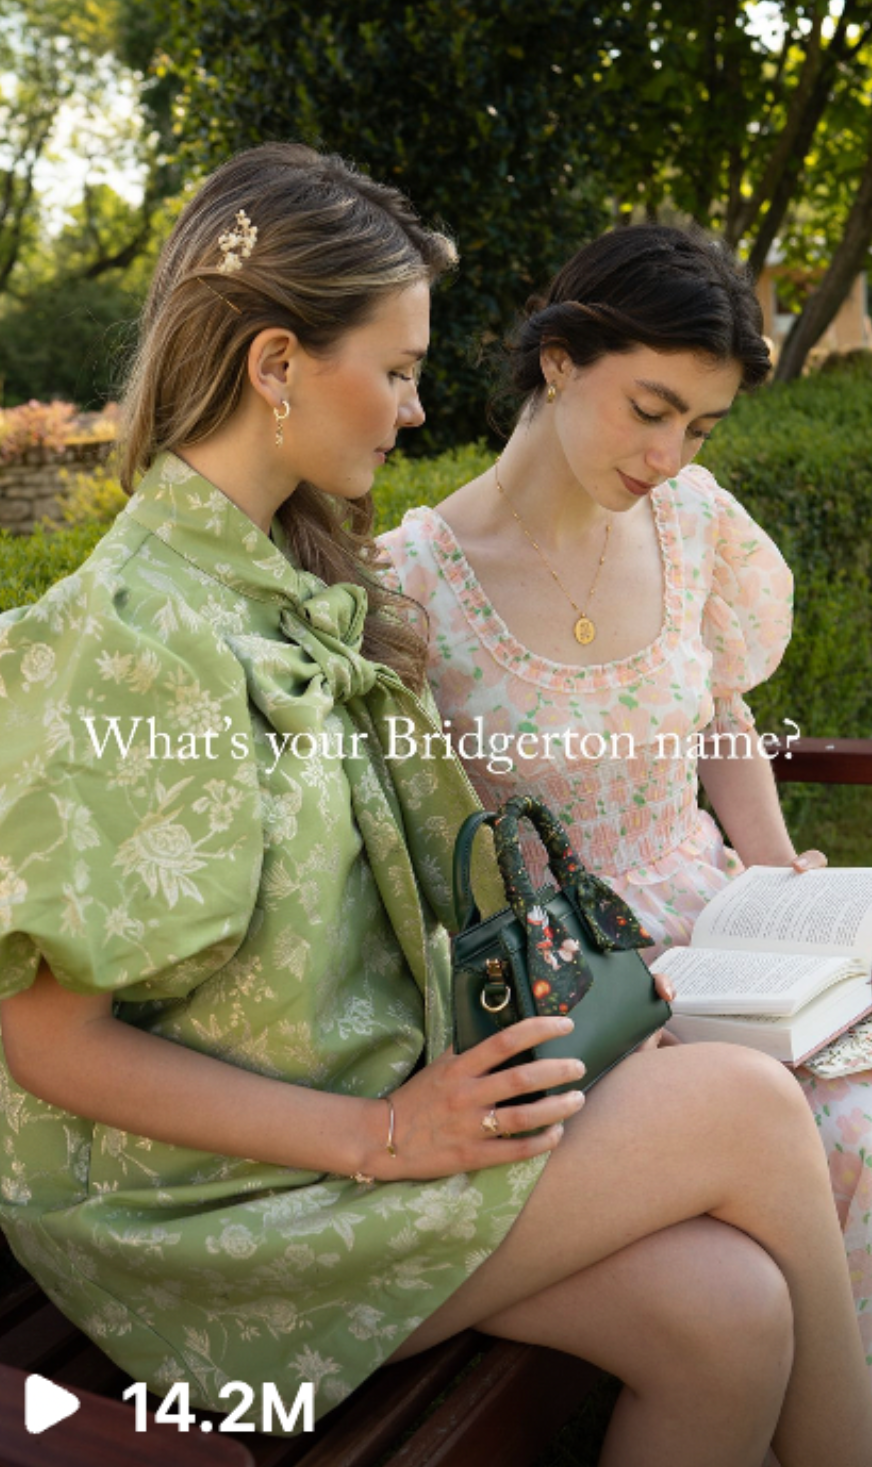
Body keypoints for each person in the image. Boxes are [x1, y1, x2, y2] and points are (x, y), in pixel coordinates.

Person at [0, 152, 869, 1467]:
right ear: (277, 364)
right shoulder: (133, 635)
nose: (412, 412)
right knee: (748, 1105)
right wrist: (388, 1129)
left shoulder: (287, 577)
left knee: (726, 1312)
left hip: (374, 1113)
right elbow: (52, 1043)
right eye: (396, 371)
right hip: (222, 1211)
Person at [379, 223, 872, 1368]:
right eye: (649, 410)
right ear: (559, 360)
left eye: (697, 426)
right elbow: (430, 854)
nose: (668, 453)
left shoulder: (690, 521)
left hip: (724, 921)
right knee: (852, 1130)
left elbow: (719, 713)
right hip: (589, 980)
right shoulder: (411, 586)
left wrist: (767, 867)